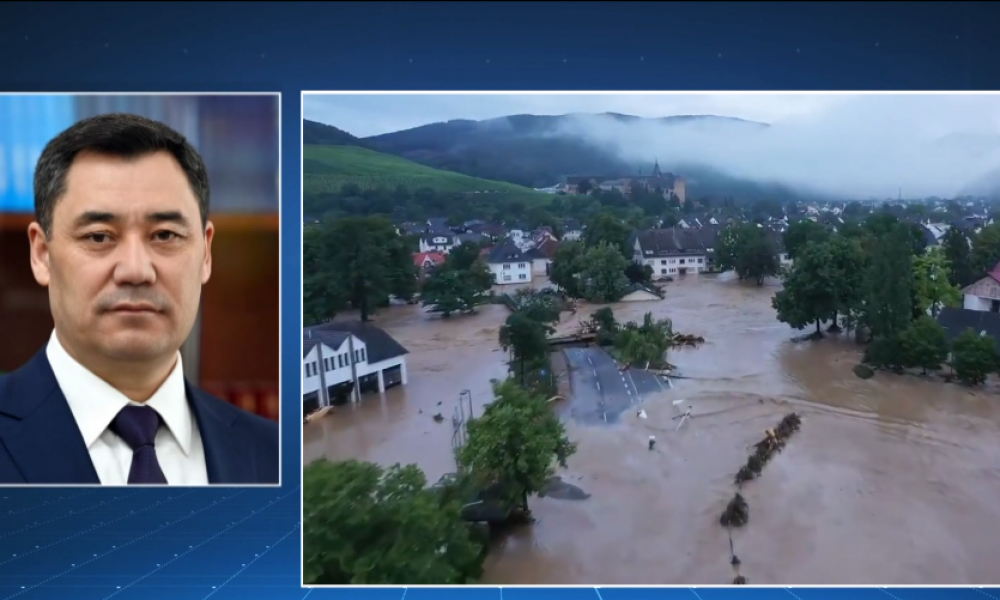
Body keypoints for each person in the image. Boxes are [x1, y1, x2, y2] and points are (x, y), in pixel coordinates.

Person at [0, 113, 279, 485]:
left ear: (206, 254)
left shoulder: (273, 454)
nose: (135, 270)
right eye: (99, 236)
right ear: (41, 254)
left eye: (164, 235)